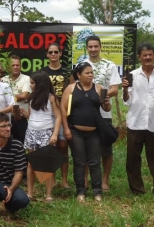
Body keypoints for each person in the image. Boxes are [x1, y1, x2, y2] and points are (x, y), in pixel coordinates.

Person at [61, 62, 111, 202]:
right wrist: (65, 128)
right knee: (79, 162)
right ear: (78, 75)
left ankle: (97, 192)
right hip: (75, 131)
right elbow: (63, 109)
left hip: (94, 132)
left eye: (91, 73)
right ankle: (81, 192)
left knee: (95, 162)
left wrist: (106, 102)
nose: (90, 75)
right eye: (87, 73)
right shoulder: (71, 89)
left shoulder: (98, 88)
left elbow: (106, 109)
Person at [82, 36, 121, 191]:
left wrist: (99, 98)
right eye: (90, 47)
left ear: (100, 47)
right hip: (85, 113)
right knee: (84, 149)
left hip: (104, 113)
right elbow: (76, 87)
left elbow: (114, 89)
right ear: (87, 48)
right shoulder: (81, 65)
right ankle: (84, 180)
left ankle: (105, 181)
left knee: (106, 149)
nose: (93, 49)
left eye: (95, 46)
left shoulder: (109, 65)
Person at [20, 71, 61, 202]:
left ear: (40, 84)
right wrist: (22, 112)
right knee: (31, 163)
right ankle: (30, 193)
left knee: (46, 164)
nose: (30, 85)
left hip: (46, 132)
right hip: (31, 131)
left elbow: (58, 116)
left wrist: (55, 134)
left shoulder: (51, 98)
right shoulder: (31, 97)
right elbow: (31, 116)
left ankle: (48, 194)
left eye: (32, 83)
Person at [122, 42, 154, 195]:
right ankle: (137, 189)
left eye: (150, 54)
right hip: (135, 123)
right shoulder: (133, 75)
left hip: (153, 123)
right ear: (139, 57)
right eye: (145, 55)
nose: (148, 57)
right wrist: (125, 89)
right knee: (133, 158)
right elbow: (126, 101)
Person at [41, 43, 74, 189]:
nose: (53, 54)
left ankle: (65, 180)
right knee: (51, 147)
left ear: (61, 53)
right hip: (48, 114)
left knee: (63, 146)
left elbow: (73, 90)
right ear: (47, 54)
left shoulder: (67, 71)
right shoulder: (42, 72)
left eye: (56, 52)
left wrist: (69, 109)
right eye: (50, 52)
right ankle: (52, 180)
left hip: (64, 113)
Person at [0, 55, 30, 142]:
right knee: (5, 143)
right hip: (5, 118)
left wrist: (7, 96)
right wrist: (18, 96)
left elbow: (24, 96)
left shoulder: (26, 79)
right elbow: (1, 98)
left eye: (17, 65)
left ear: (20, 66)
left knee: (20, 145)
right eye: (13, 65)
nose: (15, 67)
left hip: (21, 118)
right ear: (8, 66)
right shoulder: (3, 80)